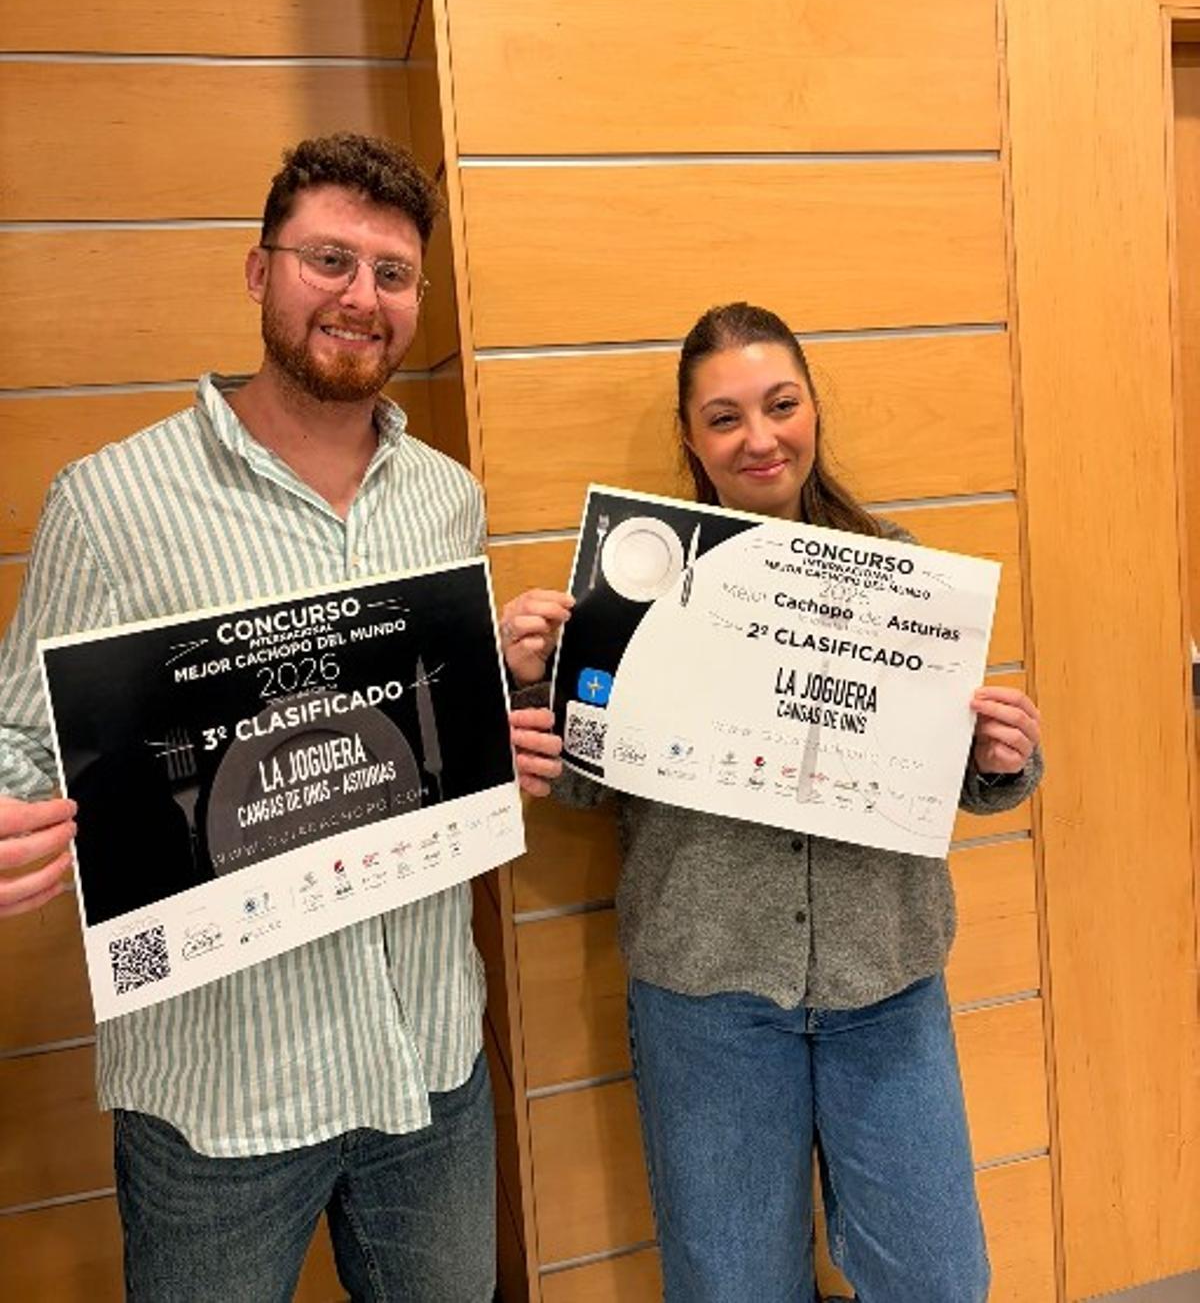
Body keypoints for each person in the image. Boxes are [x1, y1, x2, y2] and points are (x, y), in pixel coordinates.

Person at [0, 133, 562, 1303]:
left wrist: (493, 708)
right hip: (219, 1093)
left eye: (394, 274)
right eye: (329, 260)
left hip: (430, 1062)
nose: (362, 297)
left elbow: (428, 746)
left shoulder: (446, 498)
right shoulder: (109, 502)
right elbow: (21, 738)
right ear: (259, 273)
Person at [499, 301, 1042, 1303]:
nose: (760, 436)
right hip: (708, 996)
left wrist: (1001, 757)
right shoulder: (636, 582)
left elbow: (943, 771)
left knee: (939, 1278)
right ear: (691, 439)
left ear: (814, 410)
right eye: (724, 416)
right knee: (734, 1284)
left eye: (781, 403)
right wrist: (530, 684)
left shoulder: (902, 569)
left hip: (887, 982)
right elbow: (581, 778)